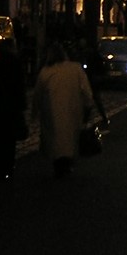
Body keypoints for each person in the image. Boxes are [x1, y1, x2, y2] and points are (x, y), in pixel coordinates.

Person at [32, 42, 96, 178]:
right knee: (70, 137)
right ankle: (67, 162)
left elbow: (37, 94)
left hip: (52, 110)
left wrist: (35, 111)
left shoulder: (46, 72)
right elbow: (86, 91)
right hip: (73, 109)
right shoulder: (75, 69)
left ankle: (59, 163)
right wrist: (88, 105)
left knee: (56, 138)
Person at [0, 37, 27, 178]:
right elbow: (20, 85)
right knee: (10, 137)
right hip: (12, 104)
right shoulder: (15, 63)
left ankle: (1, 165)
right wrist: (22, 104)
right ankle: (9, 164)